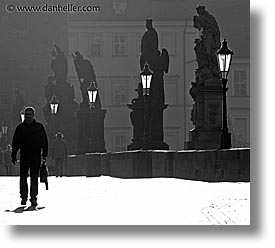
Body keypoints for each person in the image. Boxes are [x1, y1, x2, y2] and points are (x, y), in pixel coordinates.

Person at [11, 106, 48, 207]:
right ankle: (23, 196)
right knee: (23, 177)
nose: (27, 117)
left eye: (29, 115)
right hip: (24, 155)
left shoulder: (39, 127)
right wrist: (13, 155)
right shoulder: (20, 128)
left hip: (35, 156)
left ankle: (33, 197)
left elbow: (44, 142)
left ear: (33, 115)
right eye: (26, 115)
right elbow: (15, 142)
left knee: (34, 177)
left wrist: (44, 155)